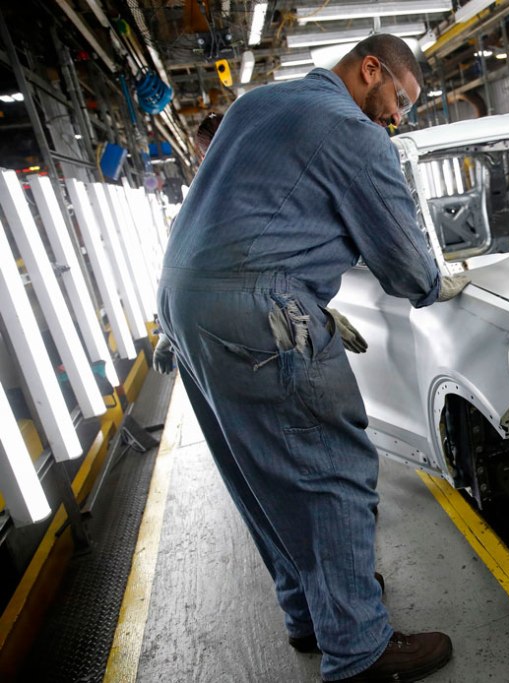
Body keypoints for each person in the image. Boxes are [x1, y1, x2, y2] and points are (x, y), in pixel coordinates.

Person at [156, 34, 467, 683]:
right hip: (260, 310)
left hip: (184, 303)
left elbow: (262, 215)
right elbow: (408, 267)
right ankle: (359, 649)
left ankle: (307, 611)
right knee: (332, 470)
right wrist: (443, 282)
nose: (398, 118)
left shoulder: (257, 105)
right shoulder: (353, 132)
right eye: (400, 101)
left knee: (261, 473)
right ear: (370, 68)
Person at [153, 112, 224, 374]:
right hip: (233, 327)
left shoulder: (191, 207)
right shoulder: (263, 186)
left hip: (196, 334)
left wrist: (166, 335)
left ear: (202, 157)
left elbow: (174, 274)